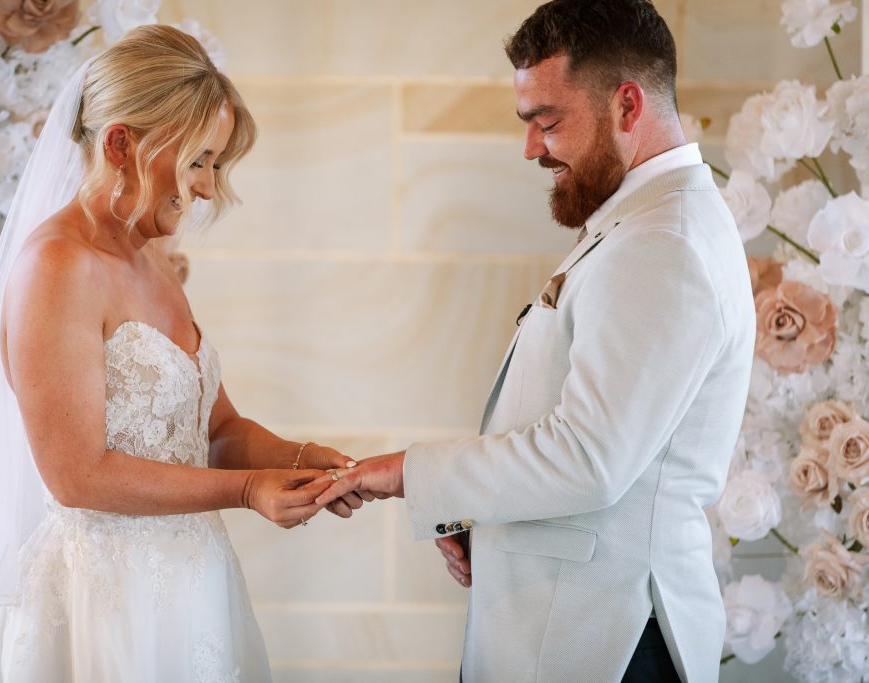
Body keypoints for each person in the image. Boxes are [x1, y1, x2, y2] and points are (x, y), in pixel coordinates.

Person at [0, 25, 366, 681]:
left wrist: (301, 461)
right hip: (103, 606)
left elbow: (219, 430)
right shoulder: (57, 266)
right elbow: (78, 474)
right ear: (121, 143)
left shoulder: (151, 258)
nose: (208, 188)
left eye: (215, 164)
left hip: (194, 586)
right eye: (198, 160)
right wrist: (245, 490)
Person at [316, 1, 755, 681]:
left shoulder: (663, 243)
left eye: (547, 122)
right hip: (567, 622)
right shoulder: (643, 221)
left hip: (603, 640)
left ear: (627, 106)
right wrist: (476, 511)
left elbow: (589, 457)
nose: (531, 148)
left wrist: (409, 472)